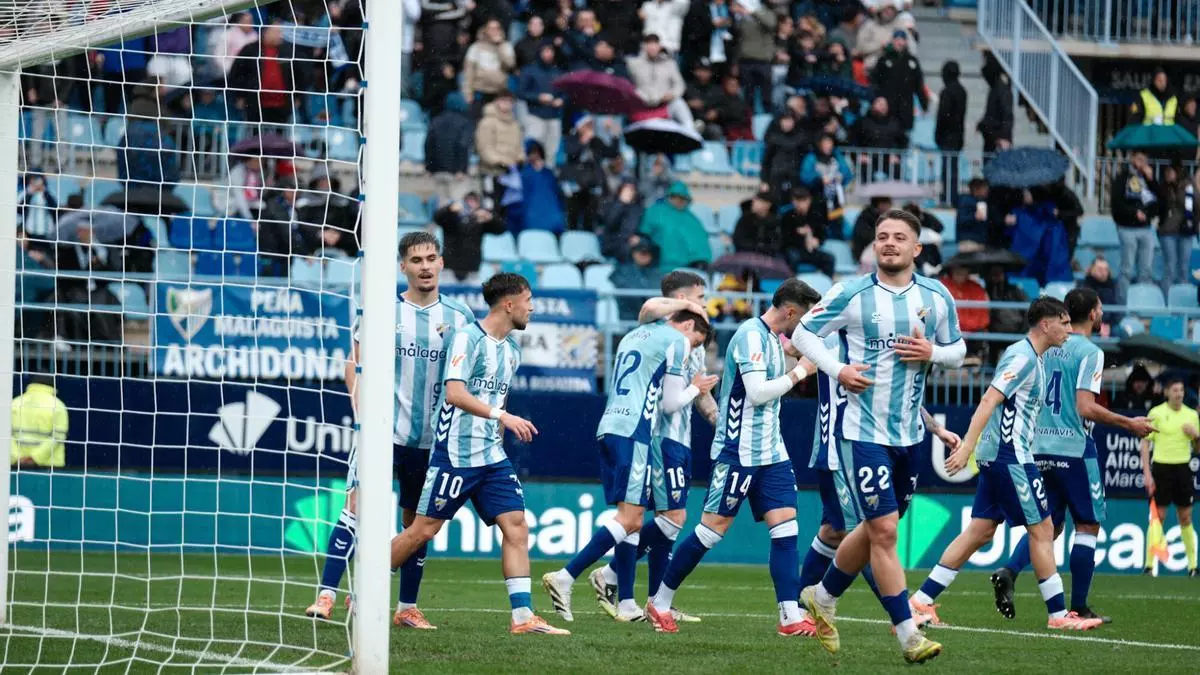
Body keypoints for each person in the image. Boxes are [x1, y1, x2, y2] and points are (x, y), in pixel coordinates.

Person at [794, 209, 965, 664]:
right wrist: (838, 370)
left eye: (899, 237)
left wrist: (933, 352)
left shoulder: (936, 295)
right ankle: (909, 635)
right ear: (873, 245)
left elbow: (959, 350)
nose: (889, 243)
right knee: (885, 531)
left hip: (909, 436)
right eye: (882, 236)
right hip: (861, 433)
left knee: (874, 529)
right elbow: (802, 333)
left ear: (917, 248)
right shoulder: (850, 293)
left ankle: (822, 596)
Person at [304, 232, 475, 626]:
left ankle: (406, 608)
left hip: (432, 440)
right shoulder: (382, 310)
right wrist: (362, 410)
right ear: (403, 267)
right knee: (356, 506)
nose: (425, 266)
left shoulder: (460, 317)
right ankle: (327, 595)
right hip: (384, 432)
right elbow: (355, 362)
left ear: (441, 263)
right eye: (416, 260)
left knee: (416, 524)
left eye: (431, 258)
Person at [385, 273, 568, 635]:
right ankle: (365, 588)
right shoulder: (467, 338)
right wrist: (503, 417)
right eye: (528, 301)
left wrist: (500, 424)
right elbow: (455, 393)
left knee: (516, 525)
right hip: (455, 453)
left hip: (491, 457)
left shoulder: (512, 350)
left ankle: (523, 617)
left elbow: (498, 400)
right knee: (422, 531)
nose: (532, 308)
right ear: (509, 304)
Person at [912, 297, 1104, 632]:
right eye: (1064, 323)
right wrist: (967, 446)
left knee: (980, 531)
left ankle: (920, 600)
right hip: (1011, 456)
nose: (1069, 330)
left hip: (998, 455)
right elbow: (989, 399)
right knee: (1043, 530)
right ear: (1046, 324)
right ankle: (1058, 614)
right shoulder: (1023, 356)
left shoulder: (1033, 357)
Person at [645, 279, 820, 635]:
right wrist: (801, 371)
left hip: (772, 450)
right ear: (791, 312)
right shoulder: (751, 335)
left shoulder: (774, 338)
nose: (804, 326)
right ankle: (659, 602)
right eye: (804, 318)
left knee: (787, 527)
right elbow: (757, 393)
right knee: (712, 531)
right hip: (739, 450)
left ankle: (789, 615)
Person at [991, 289, 1156, 624]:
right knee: (1088, 525)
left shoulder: (1046, 346)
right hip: (1075, 449)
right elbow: (1085, 407)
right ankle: (1079, 606)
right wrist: (1129, 423)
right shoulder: (1090, 352)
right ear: (1093, 313)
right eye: (1100, 308)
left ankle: (1009, 571)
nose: (1102, 312)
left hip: (1038, 447)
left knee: (1048, 526)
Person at [542, 307, 713, 622]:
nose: (693, 348)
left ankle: (627, 603)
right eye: (696, 340)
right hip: (635, 431)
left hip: (610, 425)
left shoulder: (633, 335)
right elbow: (670, 403)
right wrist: (696, 388)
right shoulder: (676, 340)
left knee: (632, 516)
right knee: (630, 518)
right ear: (687, 324)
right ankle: (567, 576)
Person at [590, 272, 720, 623]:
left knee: (668, 519)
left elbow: (701, 394)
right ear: (682, 299)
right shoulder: (656, 329)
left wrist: (721, 424)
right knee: (670, 518)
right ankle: (613, 574)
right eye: (700, 298)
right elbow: (648, 307)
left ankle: (656, 602)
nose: (705, 305)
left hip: (681, 436)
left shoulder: (691, 343)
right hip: (659, 434)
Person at [1141, 378, 1200, 576]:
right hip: (1161, 468)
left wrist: (1196, 436)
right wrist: (1147, 473)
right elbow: (1145, 443)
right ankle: (1149, 566)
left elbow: (1198, 449)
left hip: (1183, 469)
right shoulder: (1156, 413)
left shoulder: (1192, 415)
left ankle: (1193, 567)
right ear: (1167, 392)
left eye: (1181, 390)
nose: (1179, 394)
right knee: (1158, 516)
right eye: (1175, 390)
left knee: (1185, 516)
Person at [1110, 150, 1158, 302]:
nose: (1142, 162)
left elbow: (1159, 202)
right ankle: (1123, 304)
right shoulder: (1122, 177)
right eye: (1139, 158)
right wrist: (1134, 213)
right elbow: (1116, 204)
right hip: (1127, 229)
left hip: (1146, 229)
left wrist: (1152, 180)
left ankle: (1143, 303)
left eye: (1144, 159)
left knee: (1146, 270)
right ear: (1132, 159)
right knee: (1127, 269)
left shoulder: (1148, 180)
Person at [638, 181, 713, 271]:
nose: (678, 200)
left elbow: (700, 243)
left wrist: (701, 260)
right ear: (669, 196)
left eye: (682, 198)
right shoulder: (656, 212)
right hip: (658, 265)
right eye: (675, 197)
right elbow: (644, 232)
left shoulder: (692, 220)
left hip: (687, 268)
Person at [433, 192, 506, 283]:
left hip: (472, 269)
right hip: (449, 267)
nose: (470, 205)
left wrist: (490, 217)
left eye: (474, 201)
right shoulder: (450, 217)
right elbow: (437, 218)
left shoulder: (480, 221)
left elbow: (501, 229)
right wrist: (449, 209)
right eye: (468, 201)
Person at [626, 34, 693, 127]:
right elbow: (628, 85)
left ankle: (690, 131)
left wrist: (672, 94)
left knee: (679, 103)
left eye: (655, 44)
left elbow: (680, 84)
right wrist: (642, 96)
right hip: (642, 105)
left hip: (664, 104)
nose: (652, 47)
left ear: (659, 46)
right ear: (644, 46)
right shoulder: (633, 64)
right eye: (649, 44)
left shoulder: (669, 63)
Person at [475, 90, 525, 210]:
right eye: (503, 100)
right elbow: (484, 149)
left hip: (511, 174)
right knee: (491, 207)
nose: (507, 104)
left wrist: (520, 158)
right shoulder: (487, 123)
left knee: (509, 209)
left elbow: (519, 147)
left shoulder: (515, 124)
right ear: (496, 101)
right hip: (492, 173)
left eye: (510, 101)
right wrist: (503, 161)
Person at [517, 42, 565, 166]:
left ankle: (547, 174)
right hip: (534, 115)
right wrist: (538, 97)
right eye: (545, 51)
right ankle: (530, 172)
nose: (548, 54)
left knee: (552, 151)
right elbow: (521, 92)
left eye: (550, 51)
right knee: (533, 149)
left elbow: (566, 91)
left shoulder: (558, 71)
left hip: (554, 116)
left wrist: (561, 100)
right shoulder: (529, 70)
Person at [869, 30, 927, 134]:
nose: (899, 42)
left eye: (902, 40)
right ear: (892, 41)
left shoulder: (912, 61)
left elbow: (919, 85)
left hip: (905, 106)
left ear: (906, 42)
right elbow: (875, 81)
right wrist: (877, 99)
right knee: (887, 133)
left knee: (904, 135)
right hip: (888, 107)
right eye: (897, 40)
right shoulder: (884, 59)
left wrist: (924, 105)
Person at [800, 133, 853, 238]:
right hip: (817, 197)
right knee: (818, 222)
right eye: (825, 143)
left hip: (835, 198)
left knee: (836, 222)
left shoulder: (837, 156)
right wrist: (820, 179)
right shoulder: (812, 157)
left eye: (830, 143)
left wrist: (840, 177)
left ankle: (836, 239)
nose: (828, 146)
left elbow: (847, 173)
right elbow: (805, 176)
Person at [425, 92, 475, 203]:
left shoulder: (436, 120)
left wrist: (429, 167)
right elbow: (462, 145)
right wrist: (461, 169)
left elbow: (428, 144)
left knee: (442, 206)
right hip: (456, 172)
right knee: (459, 204)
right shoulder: (465, 122)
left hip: (437, 171)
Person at [10, 374, 69, 469]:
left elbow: (6, 435)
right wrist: (34, 458)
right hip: (49, 466)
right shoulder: (58, 406)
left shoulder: (14, 403)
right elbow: (58, 437)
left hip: (16, 465)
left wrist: (17, 457)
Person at [733, 0, 778, 114]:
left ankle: (768, 118)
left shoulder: (766, 11)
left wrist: (752, 12)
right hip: (745, 60)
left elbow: (771, 24)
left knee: (766, 95)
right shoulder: (740, 17)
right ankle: (748, 119)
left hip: (763, 60)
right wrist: (735, 62)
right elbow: (738, 40)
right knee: (748, 95)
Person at [463, 20, 516, 111]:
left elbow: (510, 65)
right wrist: (468, 93)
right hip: (480, 91)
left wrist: (499, 46)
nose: (494, 31)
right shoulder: (476, 47)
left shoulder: (506, 46)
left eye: (497, 28)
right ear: (485, 30)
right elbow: (469, 72)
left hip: (500, 93)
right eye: (491, 28)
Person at [514, 141, 567, 233]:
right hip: (531, 222)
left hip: (553, 221)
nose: (535, 158)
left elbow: (558, 196)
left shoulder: (549, 174)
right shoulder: (523, 174)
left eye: (538, 154)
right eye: (532, 154)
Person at [780, 187, 834, 276]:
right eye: (797, 201)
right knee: (793, 257)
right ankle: (792, 281)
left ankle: (826, 282)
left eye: (803, 200)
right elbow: (784, 239)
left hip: (810, 250)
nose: (800, 204)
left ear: (809, 200)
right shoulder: (787, 217)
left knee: (829, 258)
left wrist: (818, 241)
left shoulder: (815, 216)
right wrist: (798, 234)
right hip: (793, 249)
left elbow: (822, 234)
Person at [1156, 165, 1193, 294]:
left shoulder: (1188, 187)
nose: (1168, 175)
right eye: (1166, 172)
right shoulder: (1163, 189)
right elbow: (1159, 207)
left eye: (1170, 172)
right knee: (1170, 266)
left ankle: (1181, 299)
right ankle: (1166, 299)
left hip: (1186, 232)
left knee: (1184, 267)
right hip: (1168, 232)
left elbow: (1193, 205)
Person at [852, 96, 907, 182]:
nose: (883, 106)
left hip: (887, 159)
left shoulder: (894, 123)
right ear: (873, 105)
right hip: (868, 158)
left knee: (897, 171)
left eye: (885, 104)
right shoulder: (862, 122)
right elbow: (853, 139)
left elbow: (903, 141)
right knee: (866, 173)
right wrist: (858, 155)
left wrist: (897, 155)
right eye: (880, 103)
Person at [935, 61, 967, 204]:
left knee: (948, 168)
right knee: (953, 168)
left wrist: (938, 134)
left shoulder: (947, 91)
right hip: (958, 135)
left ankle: (948, 196)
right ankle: (951, 195)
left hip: (947, 136)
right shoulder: (962, 91)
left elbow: (943, 116)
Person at [611, 241, 666, 319]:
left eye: (647, 252)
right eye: (639, 251)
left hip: (653, 320)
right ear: (633, 253)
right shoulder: (621, 271)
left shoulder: (658, 274)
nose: (643, 255)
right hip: (628, 318)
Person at [599, 181, 646, 262]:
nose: (629, 193)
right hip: (612, 246)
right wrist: (621, 203)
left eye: (631, 190)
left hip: (631, 247)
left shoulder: (638, 209)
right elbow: (610, 223)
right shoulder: (610, 204)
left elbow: (642, 229)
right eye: (626, 190)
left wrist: (639, 238)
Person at [978, 53, 1013, 153]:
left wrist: (1005, 137)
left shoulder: (1001, 89)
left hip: (997, 141)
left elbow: (1007, 114)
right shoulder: (996, 87)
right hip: (992, 138)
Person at [732, 191, 784, 258]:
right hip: (746, 254)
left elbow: (777, 243)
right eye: (754, 200)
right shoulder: (745, 219)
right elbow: (738, 240)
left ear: (768, 205)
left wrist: (762, 249)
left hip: (768, 256)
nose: (753, 203)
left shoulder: (776, 221)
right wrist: (756, 248)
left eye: (758, 201)